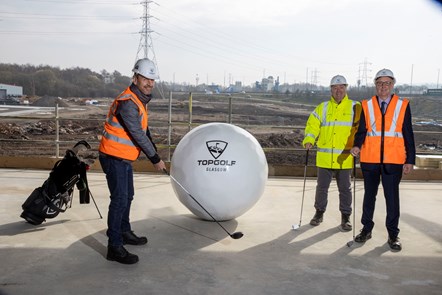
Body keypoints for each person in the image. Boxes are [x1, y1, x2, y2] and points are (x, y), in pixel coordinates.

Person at [98, 58, 166, 264]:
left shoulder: (139, 100)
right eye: (145, 78)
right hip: (113, 156)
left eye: (152, 80)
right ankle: (114, 246)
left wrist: (154, 150)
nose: (149, 83)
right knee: (119, 199)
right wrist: (155, 158)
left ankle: (125, 232)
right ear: (135, 77)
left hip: (123, 157)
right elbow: (137, 133)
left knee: (128, 197)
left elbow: (144, 130)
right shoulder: (128, 102)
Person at [350, 68, 416, 252]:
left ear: (393, 85)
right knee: (369, 196)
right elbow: (362, 131)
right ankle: (366, 229)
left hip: (394, 160)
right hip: (370, 159)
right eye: (380, 83)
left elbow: (408, 133)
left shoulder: (403, 105)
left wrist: (410, 159)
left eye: (387, 83)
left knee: (392, 199)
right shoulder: (367, 105)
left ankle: (393, 234)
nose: (383, 87)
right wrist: (357, 145)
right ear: (375, 85)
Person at [302, 75, 361, 231]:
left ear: (346, 88)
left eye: (341, 87)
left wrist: (358, 146)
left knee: (345, 189)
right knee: (321, 188)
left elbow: (360, 130)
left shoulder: (356, 107)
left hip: (344, 157)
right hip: (325, 158)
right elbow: (312, 125)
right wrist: (309, 139)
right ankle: (319, 213)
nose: (338, 90)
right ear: (331, 90)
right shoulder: (323, 107)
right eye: (335, 87)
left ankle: (346, 217)